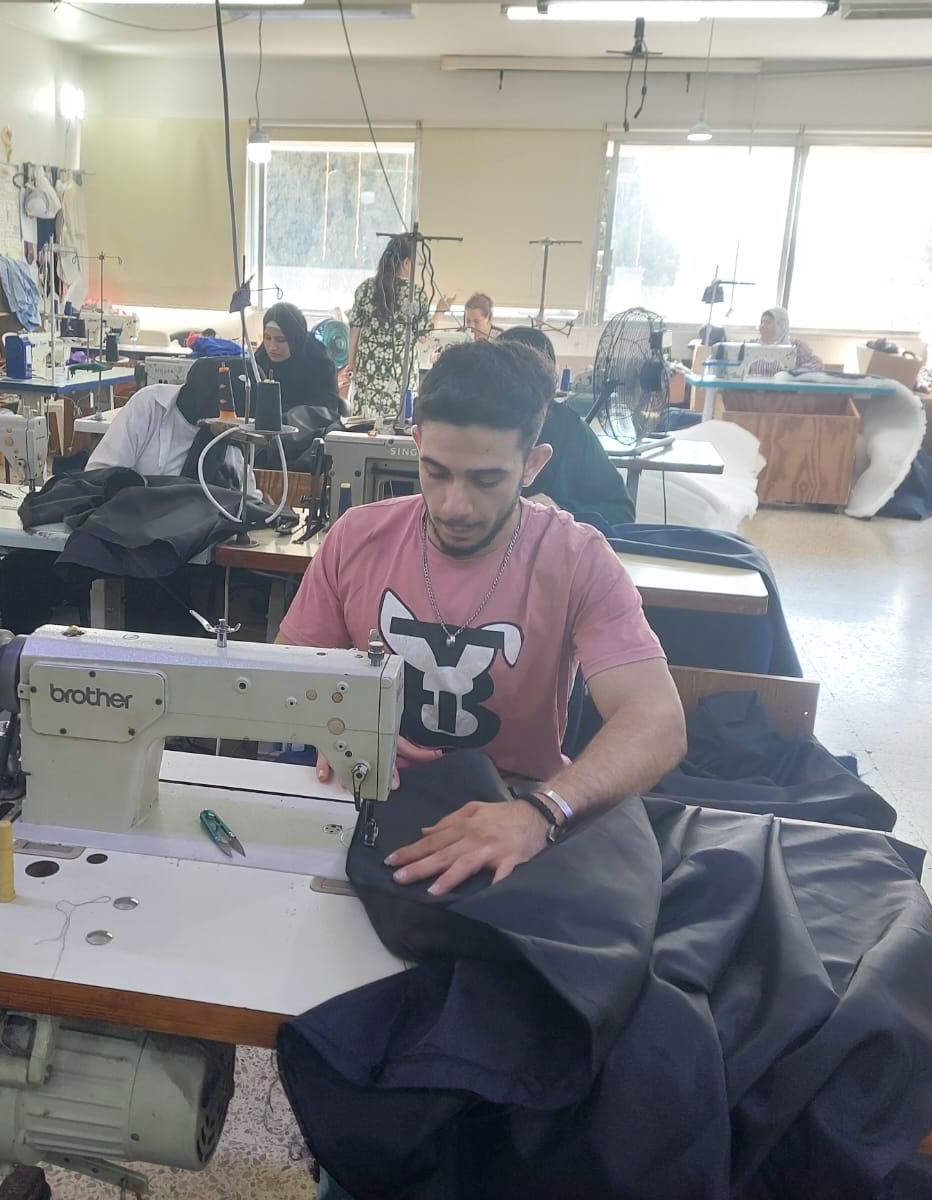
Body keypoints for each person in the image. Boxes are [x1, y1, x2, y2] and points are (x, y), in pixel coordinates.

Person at [278, 338, 686, 898]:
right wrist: (320, 725)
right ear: (416, 444)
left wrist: (545, 810)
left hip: (514, 813)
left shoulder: (577, 559)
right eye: (436, 472)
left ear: (533, 465)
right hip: (370, 796)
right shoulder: (356, 538)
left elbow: (659, 722)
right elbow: (290, 676)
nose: (454, 506)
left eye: (485, 479)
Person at [0, 357, 256, 634]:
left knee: (160, 595)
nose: (233, 425)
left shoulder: (227, 437)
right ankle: (21, 658)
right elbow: (100, 472)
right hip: (120, 532)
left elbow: (250, 497)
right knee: (20, 569)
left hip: (177, 556)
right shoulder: (150, 406)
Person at [498, 325, 635, 524]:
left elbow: (621, 513)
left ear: (549, 386)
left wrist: (562, 513)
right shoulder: (472, 428)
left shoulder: (572, 433)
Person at [347, 234, 448, 421]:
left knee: (365, 424)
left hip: (368, 372)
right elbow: (423, 335)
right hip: (401, 373)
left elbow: (355, 329)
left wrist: (351, 363)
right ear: (407, 262)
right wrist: (440, 312)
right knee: (397, 424)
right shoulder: (415, 294)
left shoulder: (366, 288)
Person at [256, 302, 343, 413]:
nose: (272, 347)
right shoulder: (259, 362)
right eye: (267, 338)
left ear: (295, 338)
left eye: (281, 340)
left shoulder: (321, 366)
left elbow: (327, 414)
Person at [751, 306, 823, 376]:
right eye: (762, 322)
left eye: (768, 322)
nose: (763, 326)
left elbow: (816, 363)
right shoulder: (752, 344)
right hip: (751, 388)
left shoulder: (796, 345)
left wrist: (793, 375)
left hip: (784, 388)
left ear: (781, 325)